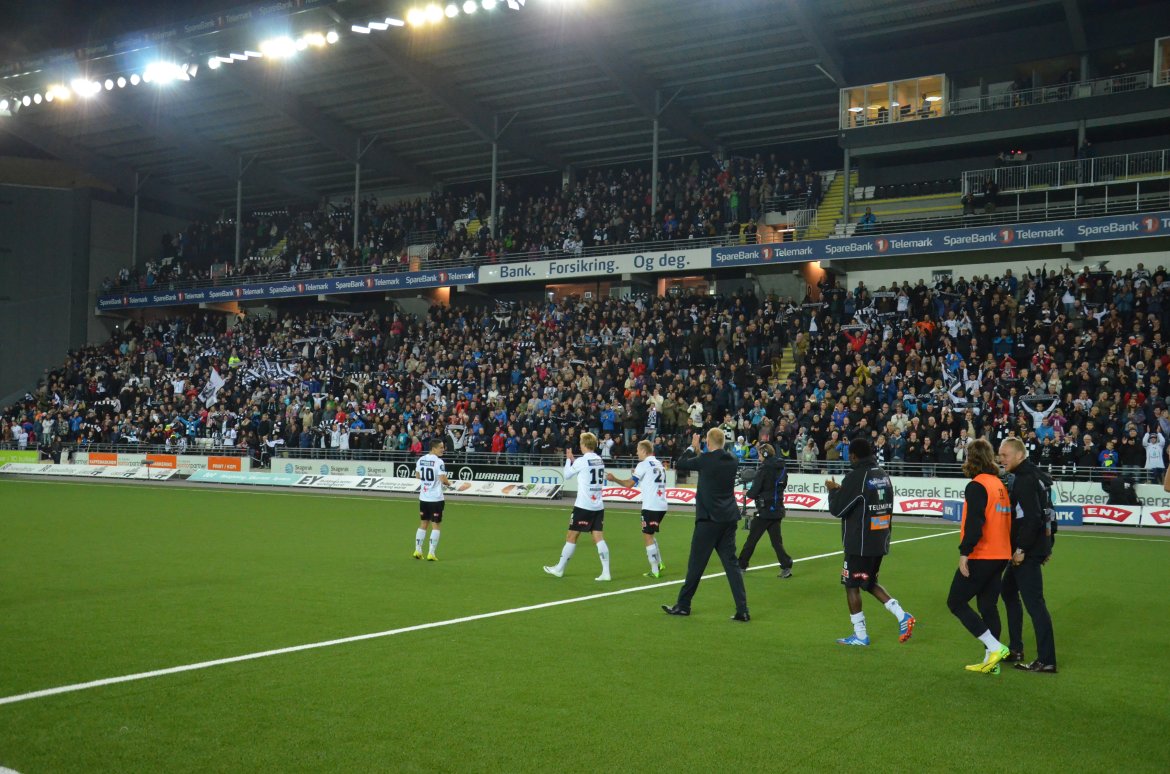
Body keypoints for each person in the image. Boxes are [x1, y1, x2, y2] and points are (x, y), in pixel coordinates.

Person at [826, 436, 916, 646]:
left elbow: (838, 509)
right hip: (879, 538)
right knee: (868, 582)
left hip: (860, 543)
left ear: (854, 456)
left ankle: (860, 635)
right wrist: (842, 491)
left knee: (851, 585)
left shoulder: (857, 476)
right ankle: (901, 615)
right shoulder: (882, 474)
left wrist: (833, 492)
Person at [662, 428, 750, 621]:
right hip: (728, 518)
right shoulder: (732, 460)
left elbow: (681, 463)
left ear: (708, 442)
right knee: (732, 566)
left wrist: (692, 447)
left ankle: (683, 605)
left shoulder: (705, 460)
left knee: (696, 565)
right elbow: (710, 462)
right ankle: (742, 610)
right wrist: (700, 452)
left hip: (708, 520)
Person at [947, 439, 1013, 674]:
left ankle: (995, 648)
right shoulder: (998, 484)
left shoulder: (977, 486)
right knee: (987, 605)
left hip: (983, 553)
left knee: (955, 602)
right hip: (1001, 553)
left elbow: (975, 523)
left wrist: (965, 552)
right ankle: (990, 662)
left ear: (971, 459)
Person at [998, 437, 1058, 673]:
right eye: (1000, 455)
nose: (1001, 459)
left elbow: (1033, 518)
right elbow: (1049, 513)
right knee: (1008, 591)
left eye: (1005, 455)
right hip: (1034, 547)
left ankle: (1046, 660)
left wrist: (1021, 549)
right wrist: (1048, 544)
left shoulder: (1024, 479)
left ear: (1020, 455)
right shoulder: (1037, 476)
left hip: (1026, 551)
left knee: (1035, 604)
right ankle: (1016, 649)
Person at [543, 432, 611, 581]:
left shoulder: (582, 460)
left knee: (571, 536)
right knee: (598, 538)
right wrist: (574, 461)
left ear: (584, 444)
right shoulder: (599, 459)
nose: (579, 445)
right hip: (598, 505)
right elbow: (586, 469)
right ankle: (606, 572)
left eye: (581, 442)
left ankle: (559, 569)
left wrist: (568, 459)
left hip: (583, 506)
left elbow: (567, 475)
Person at [607, 439, 669, 578]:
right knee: (651, 534)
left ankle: (654, 570)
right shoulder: (658, 464)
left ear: (644, 451)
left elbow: (629, 484)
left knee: (647, 536)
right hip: (661, 505)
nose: (636, 453)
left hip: (651, 505)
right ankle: (659, 563)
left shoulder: (643, 464)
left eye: (638, 450)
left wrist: (614, 479)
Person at [737, 443, 794, 578]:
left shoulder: (764, 469)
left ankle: (741, 565)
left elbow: (754, 491)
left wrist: (747, 493)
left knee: (751, 540)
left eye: (759, 454)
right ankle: (786, 565)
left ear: (765, 454)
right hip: (777, 509)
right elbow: (782, 485)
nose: (759, 456)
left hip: (765, 511)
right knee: (776, 542)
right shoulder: (782, 468)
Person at [414, 439, 451, 561]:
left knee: (423, 524)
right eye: (441, 447)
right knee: (436, 526)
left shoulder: (421, 459)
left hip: (423, 498)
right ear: (434, 448)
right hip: (436, 499)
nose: (443, 450)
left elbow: (417, 476)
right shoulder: (439, 461)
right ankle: (431, 553)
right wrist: (449, 483)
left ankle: (418, 550)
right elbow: (443, 479)